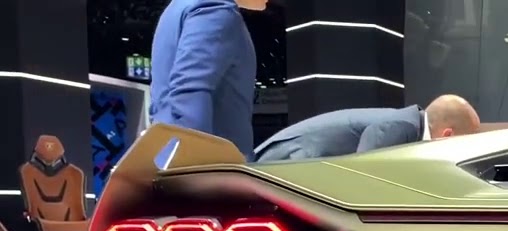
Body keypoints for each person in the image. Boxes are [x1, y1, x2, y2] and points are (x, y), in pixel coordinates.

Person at [149, 0, 267, 158]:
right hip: (211, 166)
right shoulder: (215, 9)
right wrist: (196, 164)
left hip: (167, 155)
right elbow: (190, 93)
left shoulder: (178, 8)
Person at [254, 95, 481, 162]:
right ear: (447, 135)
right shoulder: (400, 126)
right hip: (290, 159)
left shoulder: (408, 124)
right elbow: (363, 175)